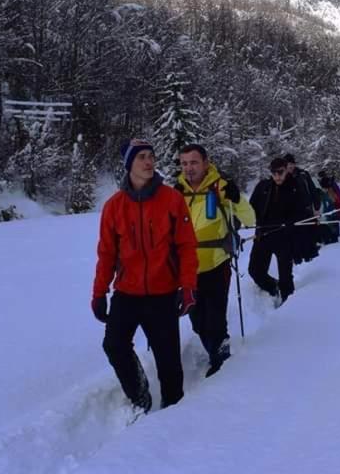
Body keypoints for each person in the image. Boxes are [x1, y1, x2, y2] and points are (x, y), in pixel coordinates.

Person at [92, 139, 198, 413]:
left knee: (169, 361)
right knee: (114, 345)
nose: (149, 161)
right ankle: (139, 395)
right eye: (141, 157)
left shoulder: (171, 199)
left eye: (151, 156)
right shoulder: (114, 206)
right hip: (127, 293)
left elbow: (186, 245)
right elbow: (106, 253)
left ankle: (174, 410)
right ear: (129, 165)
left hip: (163, 293)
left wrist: (187, 286)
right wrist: (99, 292)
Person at [176, 144, 256, 378]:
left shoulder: (220, 187)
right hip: (188, 267)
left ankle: (221, 363)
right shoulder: (177, 191)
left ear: (205, 162)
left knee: (215, 317)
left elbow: (250, 217)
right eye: (184, 163)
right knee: (196, 319)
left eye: (194, 162)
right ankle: (214, 349)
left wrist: (236, 197)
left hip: (216, 263)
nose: (189, 168)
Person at [248, 158, 298, 305]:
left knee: (286, 277)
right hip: (263, 235)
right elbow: (251, 209)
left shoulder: (294, 187)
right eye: (274, 173)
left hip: (284, 238)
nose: (277, 176)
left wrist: (291, 222)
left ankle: (289, 304)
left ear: (286, 170)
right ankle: (272, 287)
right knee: (255, 270)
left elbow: (303, 211)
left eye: (280, 172)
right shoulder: (263, 186)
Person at [284, 153, 321, 264]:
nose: (290, 166)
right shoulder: (283, 177)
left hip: (306, 209)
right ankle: (296, 258)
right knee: (293, 236)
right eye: (287, 164)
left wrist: (316, 207)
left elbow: (312, 190)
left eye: (291, 164)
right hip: (291, 212)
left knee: (307, 233)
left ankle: (309, 256)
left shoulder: (303, 174)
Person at [317, 170, 340, 244]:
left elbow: (337, 196)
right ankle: (333, 235)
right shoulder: (324, 184)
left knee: (334, 220)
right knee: (331, 221)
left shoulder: (330, 184)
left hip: (334, 206)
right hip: (330, 207)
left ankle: (335, 235)